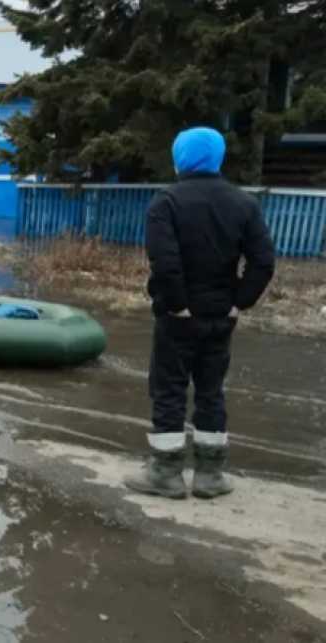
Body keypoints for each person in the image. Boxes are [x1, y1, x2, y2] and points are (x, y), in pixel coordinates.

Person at [125, 127, 275, 500]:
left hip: (178, 317)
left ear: (180, 158)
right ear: (217, 157)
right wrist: (239, 301)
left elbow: (165, 262)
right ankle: (209, 476)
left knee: (170, 389)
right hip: (220, 316)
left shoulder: (167, 202)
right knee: (211, 390)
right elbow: (263, 262)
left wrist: (177, 304)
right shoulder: (243, 203)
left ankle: (165, 473)